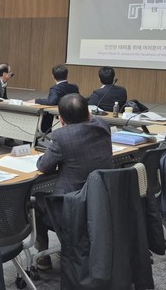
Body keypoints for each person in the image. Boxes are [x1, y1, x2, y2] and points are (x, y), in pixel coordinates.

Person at [34, 93, 113, 270]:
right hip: (101, 203)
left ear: (61, 119)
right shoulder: (103, 126)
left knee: (32, 201)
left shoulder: (61, 137)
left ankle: (43, 257)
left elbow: (44, 166)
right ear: (88, 113)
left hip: (72, 208)